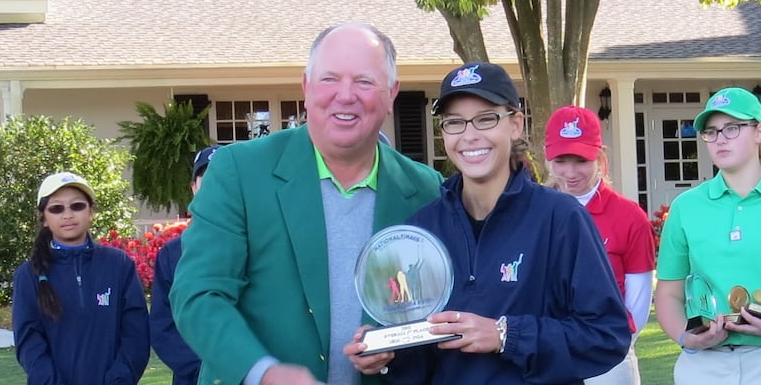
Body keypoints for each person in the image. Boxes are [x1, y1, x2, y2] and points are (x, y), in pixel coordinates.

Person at [169, 22, 443, 385]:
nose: (345, 96)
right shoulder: (238, 172)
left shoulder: (426, 189)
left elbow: (432, 310)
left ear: (391, 94)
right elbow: (198, 295)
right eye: (330, 79)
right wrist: (262, 373)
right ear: (306, 87)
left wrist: (394, 346)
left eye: (364, 81)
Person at [346, 62, 631, 384]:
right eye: (455, 123)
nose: (469, 136)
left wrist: (506, 335)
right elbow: (423, 360)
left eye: (486, 119)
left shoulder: (560, 219)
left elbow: (606, 336)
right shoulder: (423, 231)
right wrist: (387, 353)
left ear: (515, 125)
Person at [655, 86, 761, 384]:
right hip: (705, 365)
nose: (720, 139)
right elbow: (669, 293)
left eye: (732, 128)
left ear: (758, 132)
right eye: (711, 132)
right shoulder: (685, 207)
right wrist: (687, 338)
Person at [544, 105, 657, 385]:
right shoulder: (532, 214)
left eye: (581, 160)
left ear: (600, 158)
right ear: (547, 159)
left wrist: (606, 346)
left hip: (608, 357)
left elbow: (638, 303)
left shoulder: (630, 217)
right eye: (561, 160)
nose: (570, 172)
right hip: (547, 354)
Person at [12, 171, 150, 384]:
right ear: (44, 218)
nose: (67, 215)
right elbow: (29, 342)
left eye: (77, 206)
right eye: (57, 208)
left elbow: (136, 333)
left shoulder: (119, 264)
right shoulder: (28, 275)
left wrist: (119, 379)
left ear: (91, 212)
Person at [150, 145, 220, 385]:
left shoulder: (258, 247)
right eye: (207, 178)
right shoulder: (172, 255)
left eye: (224, 178)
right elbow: (162, 325)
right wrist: (202, 369)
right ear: (193, 188)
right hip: (191, 378)